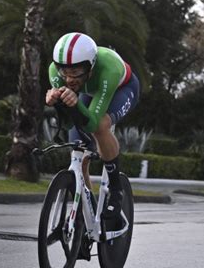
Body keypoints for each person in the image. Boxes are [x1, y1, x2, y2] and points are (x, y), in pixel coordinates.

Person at [46, 32, 140, 227]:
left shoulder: (108, 68)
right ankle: (89, 219)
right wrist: (57, 103)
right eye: (65, 71)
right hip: (90, 92)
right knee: (78, 150)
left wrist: (73, 104)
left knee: (101, 126)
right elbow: (69, 123)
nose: (69, 79)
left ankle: (116, 189)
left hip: (121, 89)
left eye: (76, 71)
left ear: (90, 66)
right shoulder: (55, 72)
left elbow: (91, 123)